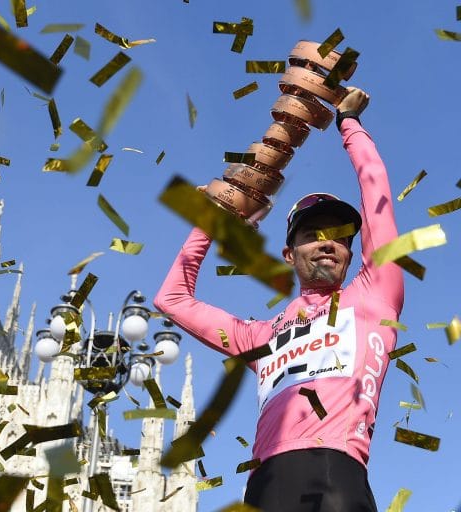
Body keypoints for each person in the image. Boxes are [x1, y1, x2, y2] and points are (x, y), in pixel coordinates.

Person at [154, 87, 404, 512]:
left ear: (351, 254)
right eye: (313, 235)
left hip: (337, 472)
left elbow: (375, 190)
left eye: (338, 238)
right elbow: (172, 299)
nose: (327, 243)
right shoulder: (260, 336)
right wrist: (209, 224)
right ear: (289, 254)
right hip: (264, 485)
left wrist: (349, 124)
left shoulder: (375, 293)